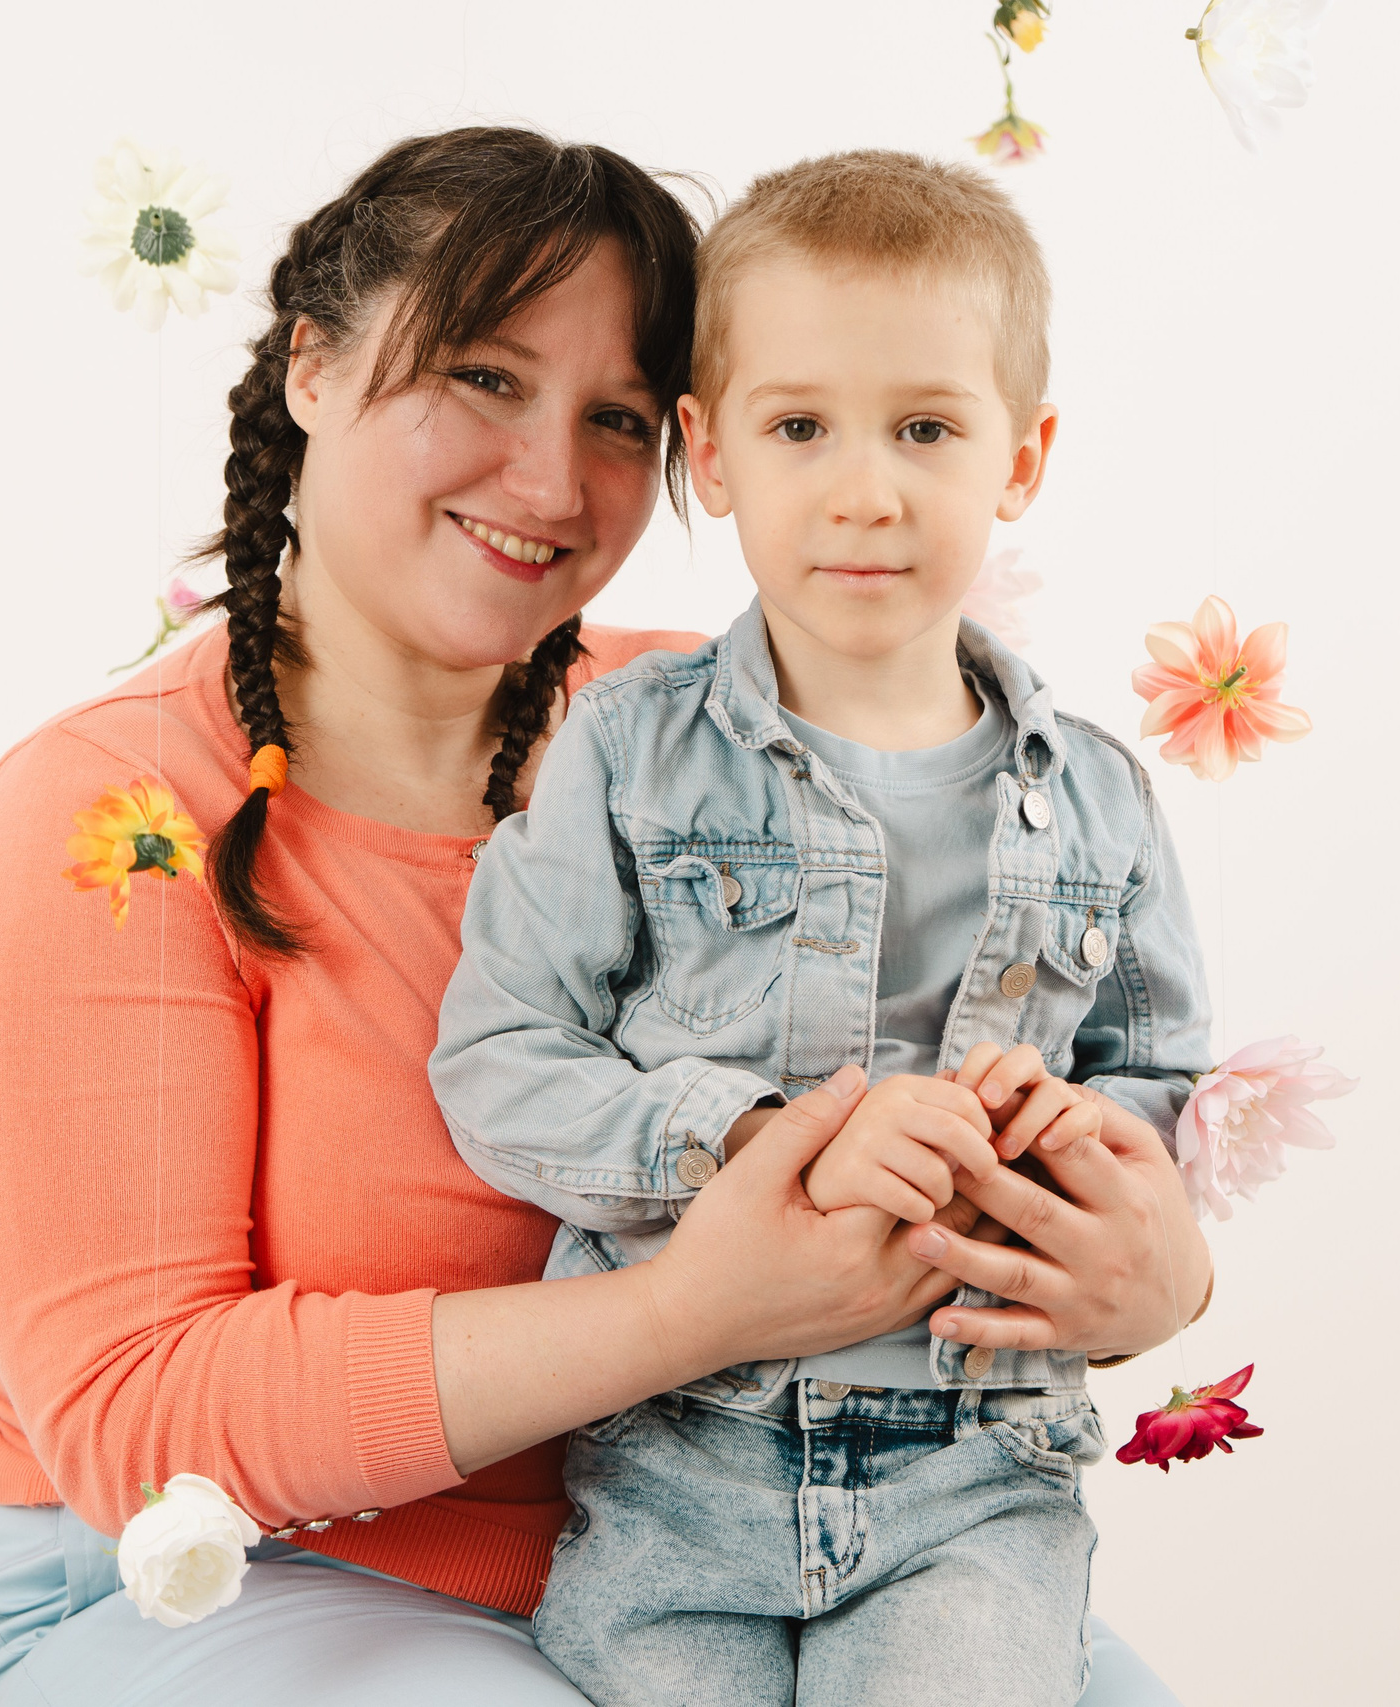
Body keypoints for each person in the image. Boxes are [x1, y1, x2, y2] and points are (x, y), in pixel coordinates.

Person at [0, 126, 1206, 1707]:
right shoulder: (109, 820)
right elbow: (140, 1425)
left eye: (610, 419)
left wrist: (1150, 1282)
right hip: (221, 1592)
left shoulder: (704, 731)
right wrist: (684, 1311)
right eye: (482, 376)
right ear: (312, 365)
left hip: (768, 1541)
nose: (549, 479)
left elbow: (1041, 1050)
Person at [429, 151, 1213, 1706]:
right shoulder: (627, 752)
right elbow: (503, 1060)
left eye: (927, 427)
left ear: (1024, 455)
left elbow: (1152, 1075)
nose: (868, 489)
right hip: (674, 1464)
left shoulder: (1106, 799)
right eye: (802, 429)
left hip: (977, 1482)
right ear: (711, 456)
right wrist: (752, 1137)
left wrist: (1077, 1166)